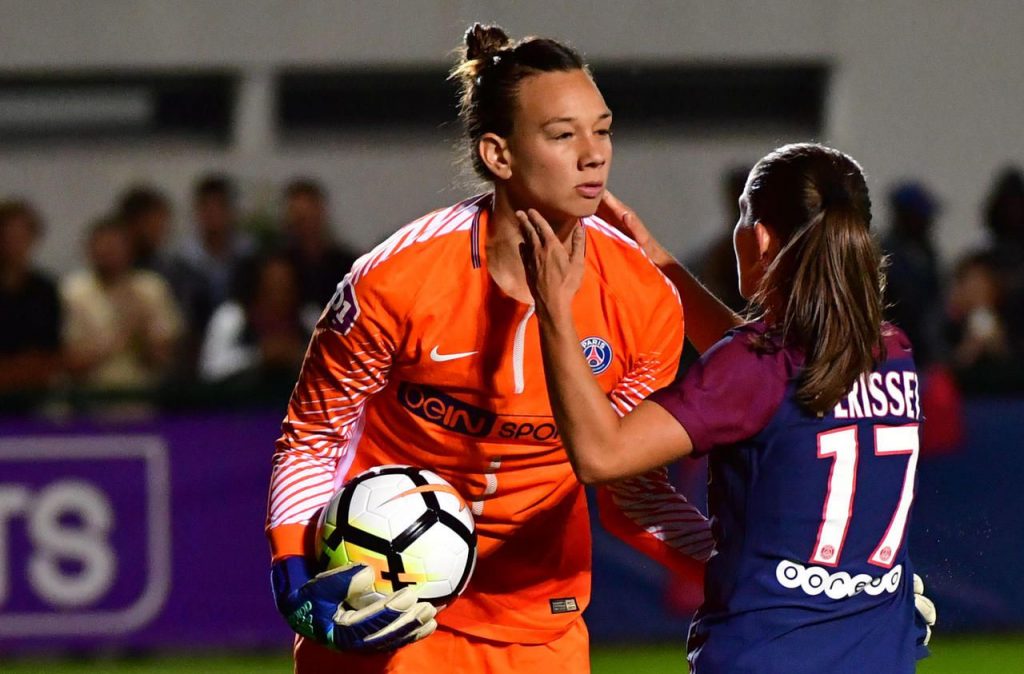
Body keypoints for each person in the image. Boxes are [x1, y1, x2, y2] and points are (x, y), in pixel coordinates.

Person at [267, 24, 719, 674]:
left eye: (603, 129)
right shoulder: (395, 281)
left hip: (537, 630)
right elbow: (315, 437)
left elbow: (632, 489)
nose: (594, 155)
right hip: (384, 614)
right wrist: (292, 576)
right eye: (563, 135)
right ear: (499, 155)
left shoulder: (644, 301)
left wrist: (750, 570)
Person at [519, 143, 933, 673]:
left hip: (766, 652)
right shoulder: (892, 350)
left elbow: (601, 455)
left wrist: (554, 306)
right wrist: (656, 260)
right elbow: (767, 379)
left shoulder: (756, 365)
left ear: (759, 236)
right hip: (880, 652)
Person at [62, 215, 183, 393]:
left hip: (143, 400)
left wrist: (141, 330)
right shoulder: (72, 291)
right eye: (102, 246)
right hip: (89, 402)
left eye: (115, 246)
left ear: (130, 249)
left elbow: (164, 358)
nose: (108, 252)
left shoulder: (151, 288)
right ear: (89, 249)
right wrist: (118, 339)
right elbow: (69, 362)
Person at [0, 199, 62, 407]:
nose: (14, 242)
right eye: (7, 235)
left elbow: (51, 347)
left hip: (33, 395)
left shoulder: (44, 289)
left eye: (22, 235)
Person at [281, 178, 361, 308]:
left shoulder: (346, 265)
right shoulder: (280, 269)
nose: (305, 225)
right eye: (299, 218)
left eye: (309, 217)